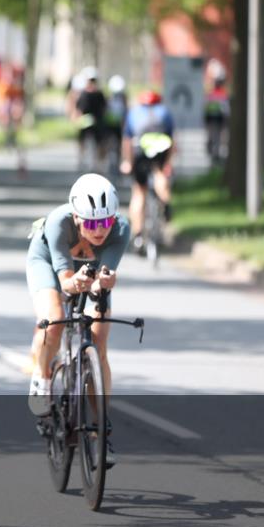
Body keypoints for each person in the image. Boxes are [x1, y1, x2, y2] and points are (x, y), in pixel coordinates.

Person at [26, 173, 129, 463]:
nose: (100, 230)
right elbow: (66, 283)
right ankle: (42, 377)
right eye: (93, 223)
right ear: (76, 217)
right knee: (55, 318)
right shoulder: (59, 223)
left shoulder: (120, 229)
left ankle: (100, 428)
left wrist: (102, 282)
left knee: (99, 337)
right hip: (48, 262)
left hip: (89, 269)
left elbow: (104, 275)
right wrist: (78, 282)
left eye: (106, 222)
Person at [120, 90, 175, 250]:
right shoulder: (165, 112)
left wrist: (127, 162)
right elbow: (172, 140)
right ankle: (165, 203)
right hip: (160, 150)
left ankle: (137, 235)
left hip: (140, 152)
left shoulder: (134, 113)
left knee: (138, 192)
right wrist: (168, 164)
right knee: (159, 173)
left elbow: (127, 140)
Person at [0, 63, 28, 177]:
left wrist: (18, 112)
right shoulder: (1, 86)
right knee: (8, 130)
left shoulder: (16, 88)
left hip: (13, 114)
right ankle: (8, 141)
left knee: (18, 140)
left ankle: (20, 160)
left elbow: (19, 102)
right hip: (6, 112)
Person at [74, 67, 107, 171]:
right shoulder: (83, 94)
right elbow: (78, 108)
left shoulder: (99, 94)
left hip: (97, 121)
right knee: (82, 141)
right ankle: (81, 160)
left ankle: (99, 163)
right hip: (85, 122)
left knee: (100, 143)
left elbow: (104, 107)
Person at [104, 75, 128, 172]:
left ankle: (117, 162)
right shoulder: (109, 97)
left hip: (119, 124)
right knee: (109, 143)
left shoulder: (124, 98)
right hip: (109, 124)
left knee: (119, 144)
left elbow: (126, 109)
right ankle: (109, 162)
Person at [203, 75, 229, 165]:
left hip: (210, 118)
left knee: (212, 135)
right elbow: (226, 109)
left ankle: (211, 150)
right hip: (218, 119)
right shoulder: (223, 94)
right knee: (217, 137)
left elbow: (205, 106)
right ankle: (215, 154)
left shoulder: (210, 94)